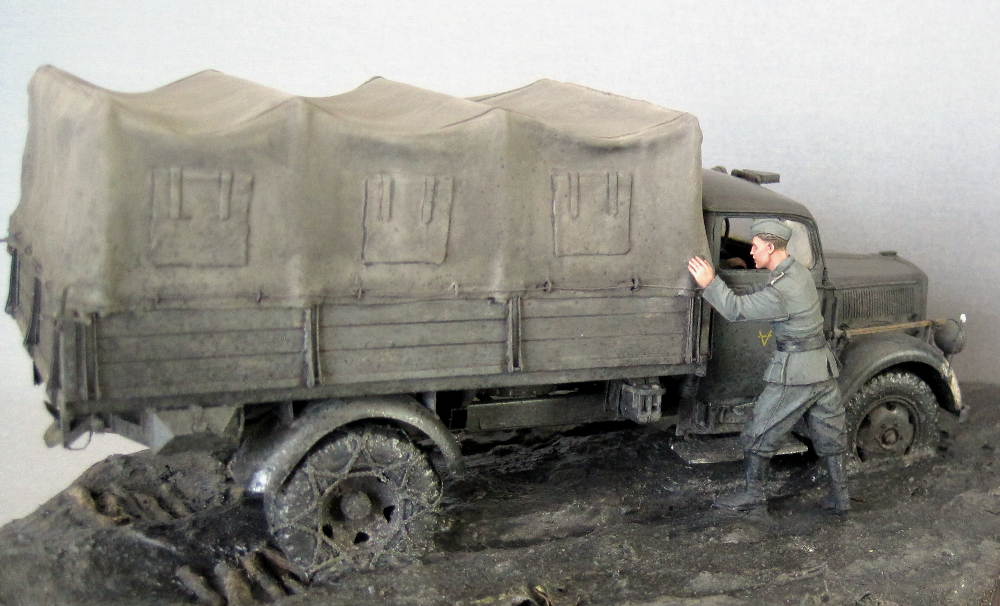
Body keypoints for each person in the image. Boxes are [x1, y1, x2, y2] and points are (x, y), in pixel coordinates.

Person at [687, 219, 850, 514]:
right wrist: (732, 266)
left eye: (756, 247)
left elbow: (736, 310)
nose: (751, 251)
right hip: (821, 367)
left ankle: (753, 493)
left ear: (771, 248)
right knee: (830, 430)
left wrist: (710, 282)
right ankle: (841, 497)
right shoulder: (797, 271)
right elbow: (767, 287)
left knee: (757, 431)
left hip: (796, 373)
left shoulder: (782, 291)